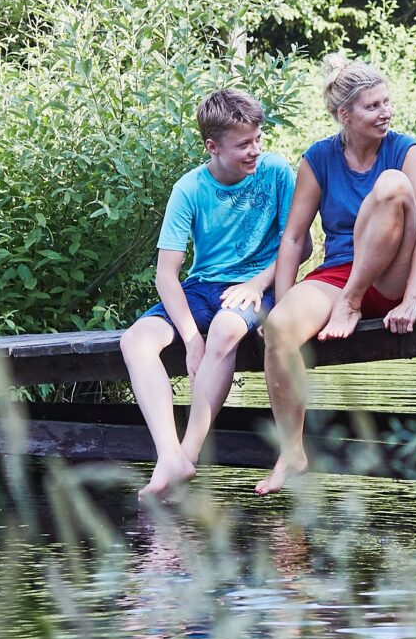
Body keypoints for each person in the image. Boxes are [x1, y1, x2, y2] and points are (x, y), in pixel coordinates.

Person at [254, 60, 416, 495]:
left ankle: (353, 301)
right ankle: (291, 451)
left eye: (386, 102)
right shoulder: (319, 158)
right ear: (345, 115)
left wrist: (413, 299)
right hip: (342, 271)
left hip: (404, 272)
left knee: (392, 185)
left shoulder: (405, 149)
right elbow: (294, 238)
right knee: (280, 327)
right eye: (373, 106)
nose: (386, 112)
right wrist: (284, 303)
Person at [118, 89, 296, 500]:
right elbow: (167, 275)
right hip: (202, 287)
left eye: (257, 139)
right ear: (212, 147)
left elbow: (296, 245)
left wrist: (256, 285)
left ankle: (189, 452)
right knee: (135, 340)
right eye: (243, 145)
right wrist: (189, 337)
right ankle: (170, 457)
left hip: (258, 286)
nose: (255, 151)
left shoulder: (276, 172)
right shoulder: (189, 189)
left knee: (226, 327)